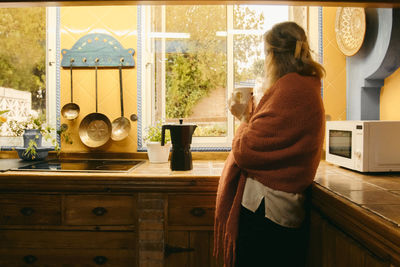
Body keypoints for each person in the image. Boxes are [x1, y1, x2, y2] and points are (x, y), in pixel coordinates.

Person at [214, 21, 325, 267]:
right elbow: (272, 138)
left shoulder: (291, 89)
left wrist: (244, 117)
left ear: (274, 55)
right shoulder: (304, 86)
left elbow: (245, 151)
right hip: (280, 208)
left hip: (268, 212)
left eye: (266, 53)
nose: (265, 61)